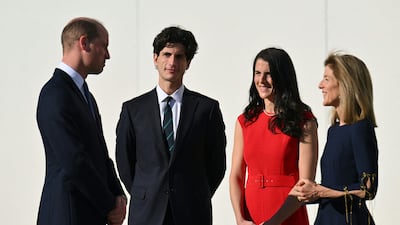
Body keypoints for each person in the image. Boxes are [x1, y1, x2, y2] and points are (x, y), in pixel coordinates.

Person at [115, 26, 227, 225]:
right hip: (146, 213)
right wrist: (148, 193)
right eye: (166, 54)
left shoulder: (206, 109)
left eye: (179, 56)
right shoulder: (133, 110)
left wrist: (194, 194)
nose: (172, 62)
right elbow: (125, 162)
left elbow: (216, 164)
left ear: (188, 63)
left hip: (192, 212)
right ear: (155, 59)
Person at [36, 17, 126, 225]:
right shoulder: (55, 94)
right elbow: (74, 161)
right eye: (104, 46)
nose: (108, 55)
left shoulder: (84, 94)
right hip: (67, 214)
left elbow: (101, 154)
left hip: (89, 213)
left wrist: (118, 195)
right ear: (84, 43)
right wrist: (108, 204)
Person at [229, 47, 318, 225]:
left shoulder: (304, 121)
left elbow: (305, 184)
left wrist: (274, 222)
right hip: (251, 214)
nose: (261, 80)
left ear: (283, 77)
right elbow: (236, 176)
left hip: (287, 212)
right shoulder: (244, 122)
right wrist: (240, 219)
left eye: (268, 74)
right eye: (257, 73)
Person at [292, 52, 379, 225]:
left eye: (327, 79)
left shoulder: (360, 128)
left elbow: (368, 189)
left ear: (345, 84)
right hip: (326, 218)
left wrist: (319, 191)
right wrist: (308, 193)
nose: (320, 85)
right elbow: (332, 185)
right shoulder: (334, 130)